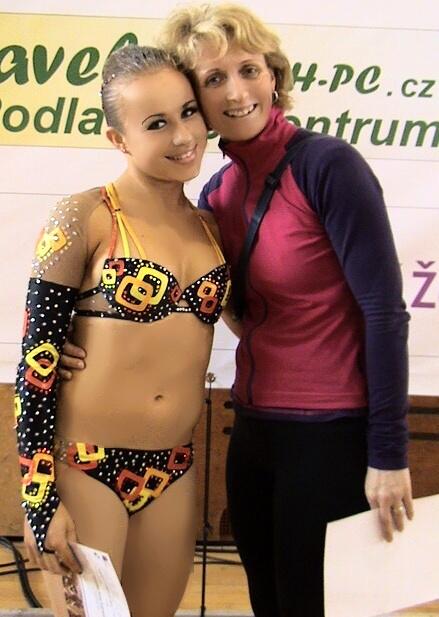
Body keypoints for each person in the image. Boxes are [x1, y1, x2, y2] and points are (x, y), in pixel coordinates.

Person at [61, 4, 414, 616]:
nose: (236, 91)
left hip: (329, 434)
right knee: (267, 601)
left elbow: (385, 313)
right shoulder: (217, 193)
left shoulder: (328, 166)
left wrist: (388, 453)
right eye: (213, 79)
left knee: (311, 604)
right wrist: (74, 339)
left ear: (274, 76)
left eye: (249, 69)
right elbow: (216, 303)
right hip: (252, 430)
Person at [14, 44, 231, 617]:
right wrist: (38, 499)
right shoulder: (83, 216)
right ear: (119, 138)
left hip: (174, 470)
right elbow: (36, 364)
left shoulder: (212, 229)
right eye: (156, 123)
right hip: (85, 466)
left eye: (188, 112)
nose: (183, 135)